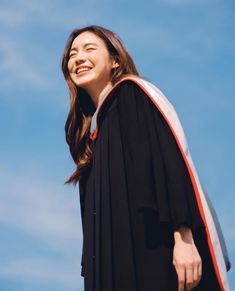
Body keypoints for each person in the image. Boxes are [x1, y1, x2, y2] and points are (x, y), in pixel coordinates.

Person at [61, 25, 230, 291]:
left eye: (89, 49)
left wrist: (183, 237)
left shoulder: (132, 96)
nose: (78, 58)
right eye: (72, 54)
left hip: (152, 254)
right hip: (113, 268)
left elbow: (166, 163)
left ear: (115, 60)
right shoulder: (90, 139)